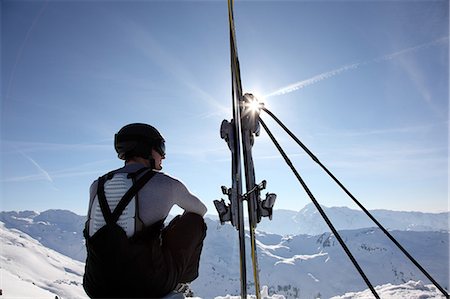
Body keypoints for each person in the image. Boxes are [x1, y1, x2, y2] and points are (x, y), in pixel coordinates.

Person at [83, 123, 207, 298]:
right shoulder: (167, 184)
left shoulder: (97, 184)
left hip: (95, 286)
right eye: (161, 148)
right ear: (147, 148)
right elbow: (200, 210)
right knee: (193, 220)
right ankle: (181, 284)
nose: (163, 155)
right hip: (146, 286)